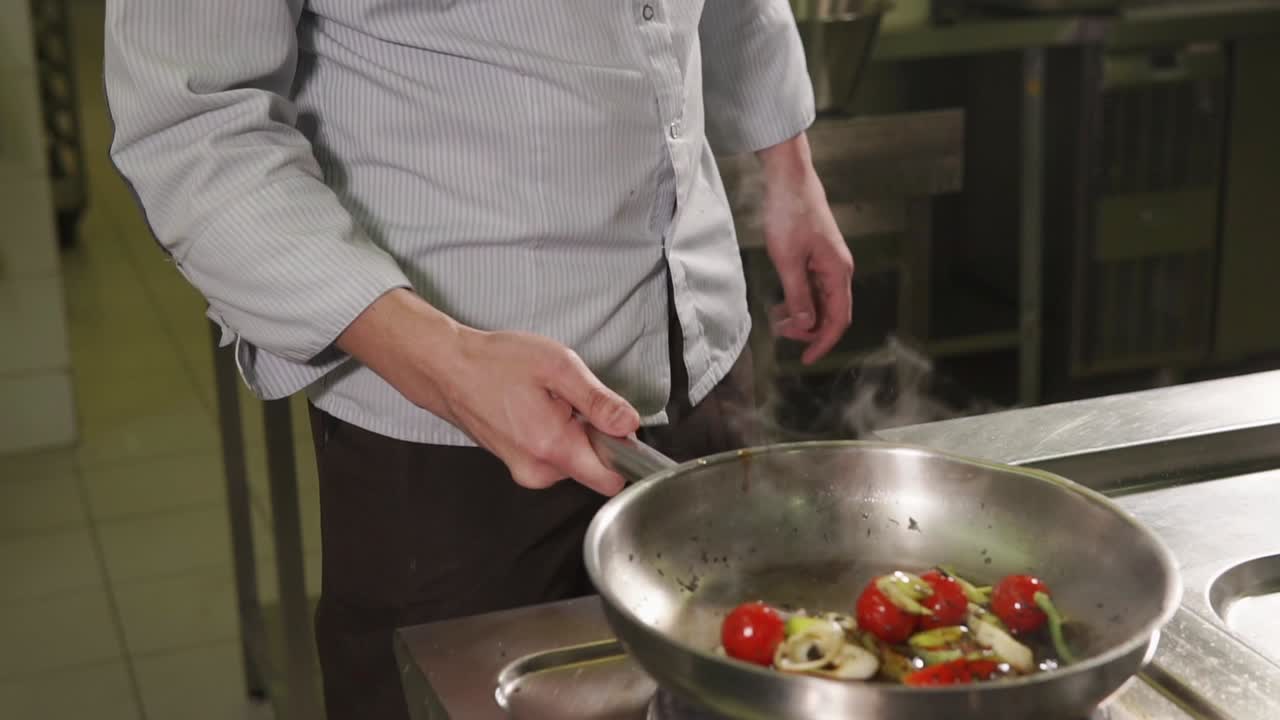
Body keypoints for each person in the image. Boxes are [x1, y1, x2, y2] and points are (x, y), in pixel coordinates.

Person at [104, 1, 853, 717]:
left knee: (730, 693)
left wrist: (788, 162)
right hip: (446, 436)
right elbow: (191, 126)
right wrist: (449, 362)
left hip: (698, 353)